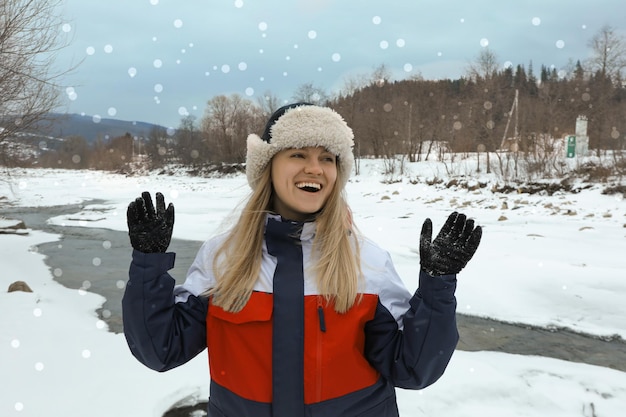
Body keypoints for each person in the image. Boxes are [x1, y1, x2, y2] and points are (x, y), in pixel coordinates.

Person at [122, 103, 482, 417]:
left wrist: (437, 284)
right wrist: (148, 264)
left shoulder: (366, 261)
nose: (315, 168)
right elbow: (160, 350)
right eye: (298, 154)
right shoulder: (222, 257)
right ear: (268, 168)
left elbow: (413, 369)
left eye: (327, 158)